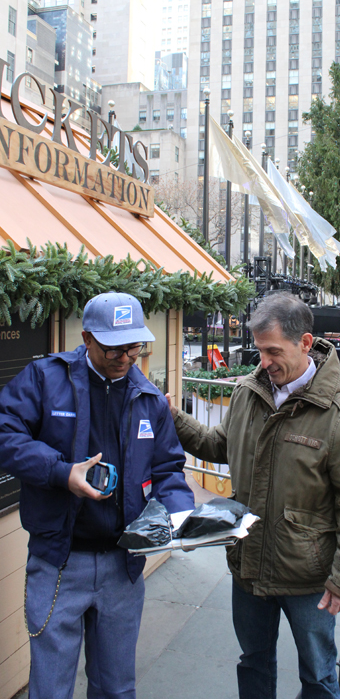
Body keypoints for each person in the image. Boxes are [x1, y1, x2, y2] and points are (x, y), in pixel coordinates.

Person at [168, 292, 340, 699]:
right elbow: (218, 446)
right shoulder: (249, 393)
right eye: (260, 350)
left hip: (309, 579)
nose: (264, 362)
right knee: (253, 662)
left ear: (304, 343)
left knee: (318, 676)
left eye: (272, 351)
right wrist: (173, 418)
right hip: (248, 566)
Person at [0, 292, 194, 699]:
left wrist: (182, 519)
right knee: (51, 689)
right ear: (86, 338)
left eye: (133, 347)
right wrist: (60, 472)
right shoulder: (45, 379)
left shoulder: (150, 399)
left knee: (117, 689)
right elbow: (6, 433)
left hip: (123, 569)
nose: (124, 358)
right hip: (58, 564)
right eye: (112, 349)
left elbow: (167, 470)